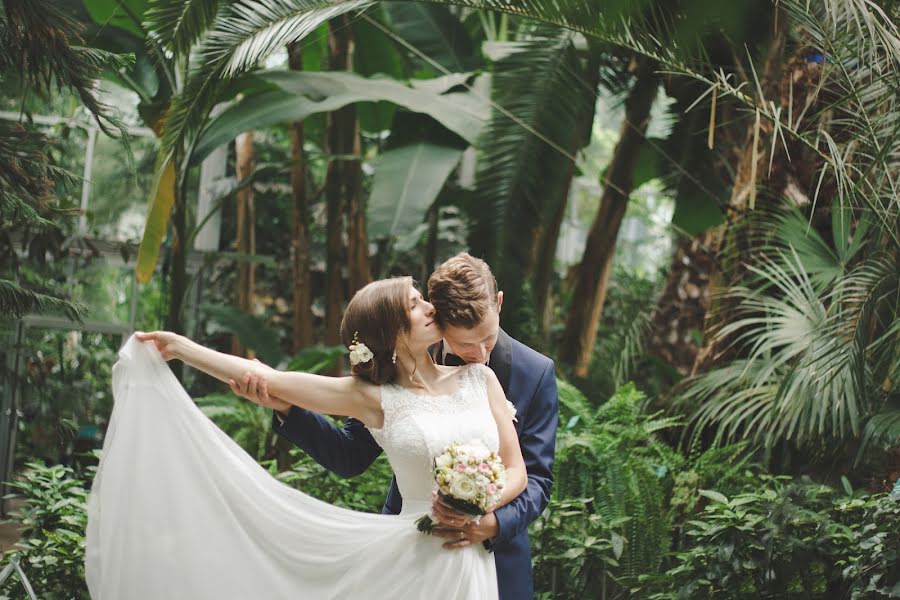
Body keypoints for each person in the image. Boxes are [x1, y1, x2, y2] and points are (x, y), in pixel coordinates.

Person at [84, 276, 527, 599]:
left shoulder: (479, 379)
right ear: (391, 333)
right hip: (416, 558)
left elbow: (517, 470)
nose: (430, 307)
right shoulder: (372, 399)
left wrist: (477, 505)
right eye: (414, 305)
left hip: (472, 558)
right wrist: (182, 348)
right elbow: (267, 378)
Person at [235, 253, 559, 600]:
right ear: (441, 315)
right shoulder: (405, 360)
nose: (479, 353)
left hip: (500, 559)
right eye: (466, 343)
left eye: (488, 340)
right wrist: (288, 408)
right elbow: (350, 455)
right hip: (415, 551)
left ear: (499, 303)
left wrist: (492, 524)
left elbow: (536, 478)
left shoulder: (535, 373)